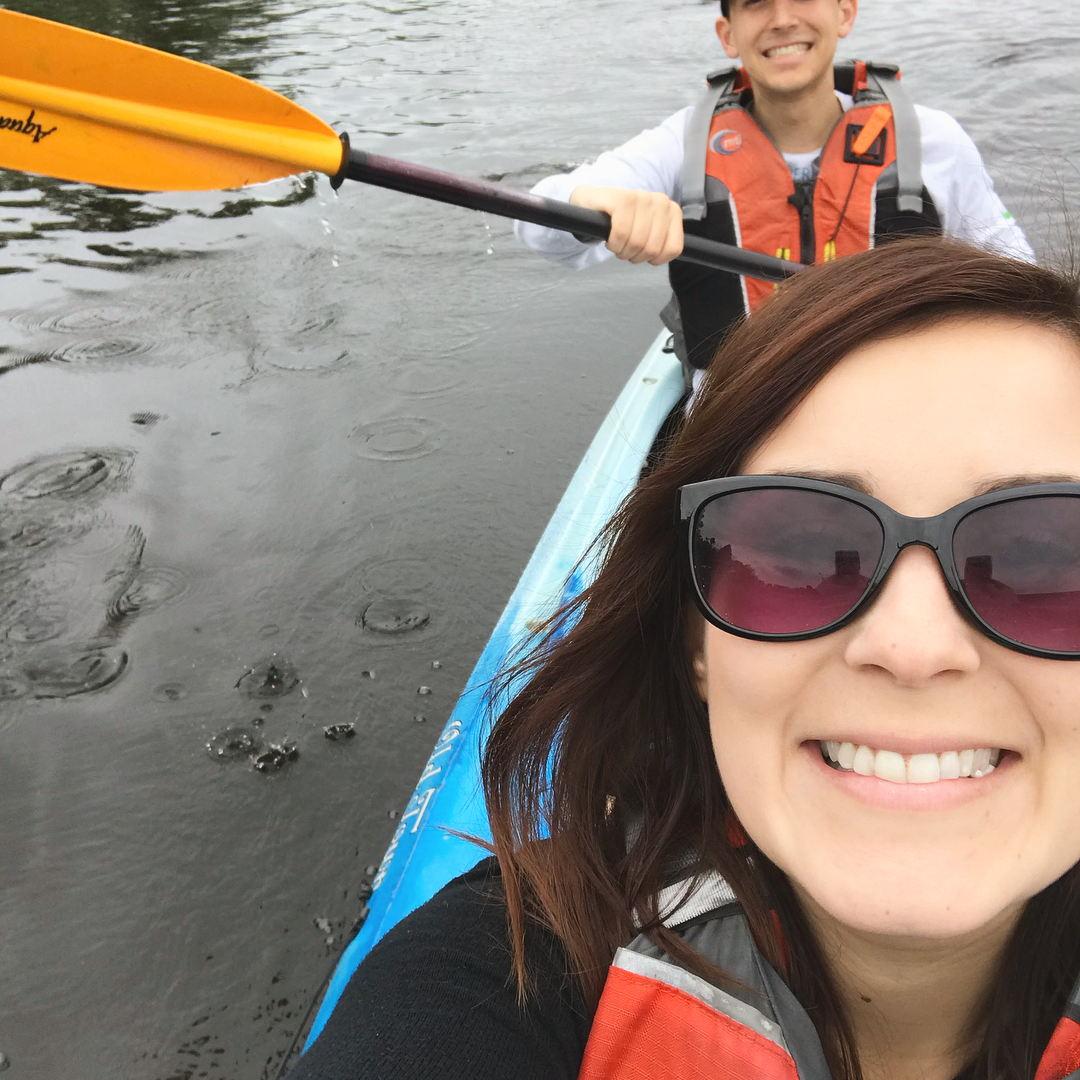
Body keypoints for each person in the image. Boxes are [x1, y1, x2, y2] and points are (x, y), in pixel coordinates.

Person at [290, 237, 1080, 1080]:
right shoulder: (486, 988)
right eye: (798, 551)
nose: (911, 647)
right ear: (693, 639)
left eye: (1046, 559)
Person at [515, 0, 1035, 381]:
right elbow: (541, 226)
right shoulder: (683, 143)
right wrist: (592, 202)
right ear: (728, 35)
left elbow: (1017, 275)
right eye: (756, 3)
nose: (782, 18)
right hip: (742, 417)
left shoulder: (934, 140)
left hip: (902, 400)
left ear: (844, 13)